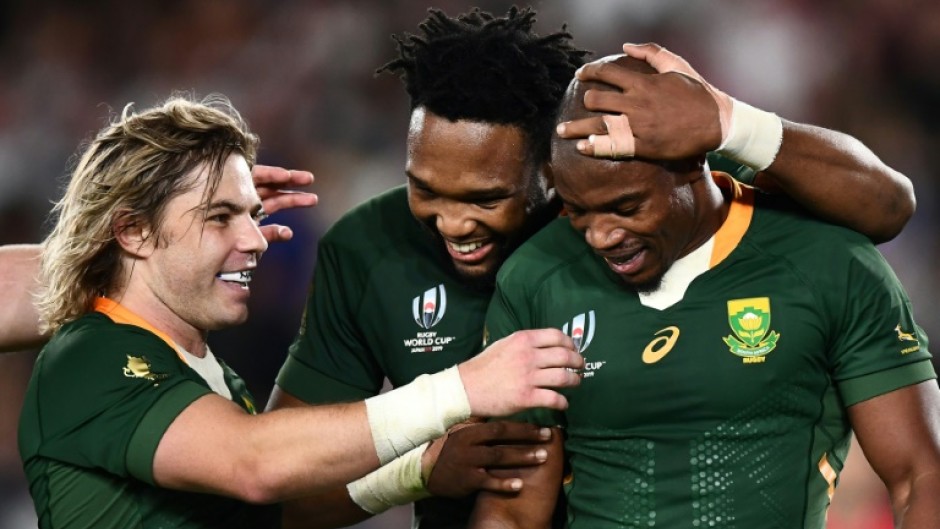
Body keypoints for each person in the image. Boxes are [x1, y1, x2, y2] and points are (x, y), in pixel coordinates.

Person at [265, 7, 918, 529]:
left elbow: (888, 205)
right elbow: (273, 486)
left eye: (486, 198)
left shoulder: (662, 180)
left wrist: (730, 120)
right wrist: (416, 470)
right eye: (425, 190)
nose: (453, 222)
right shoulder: (378, 253)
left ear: (551, 170)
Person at [16, 92, 585, 529]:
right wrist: (462, 388)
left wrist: (420, 473)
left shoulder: (213, 381)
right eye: (220, 218)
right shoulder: (88, 354)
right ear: (134, 231)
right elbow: (254, 463)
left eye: (253, 213)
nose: (258, 239)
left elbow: (276, 508)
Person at [468, 54, 940, 529]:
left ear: (695, 165)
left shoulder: (827, 262)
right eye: (579, 211)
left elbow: (919, 478)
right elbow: (511, 509)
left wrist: (732, 121)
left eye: (626, 207)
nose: (601, 236)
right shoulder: (535, 277)